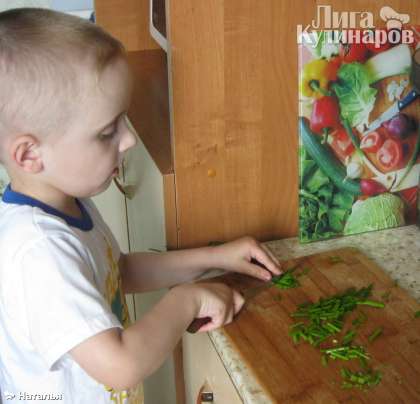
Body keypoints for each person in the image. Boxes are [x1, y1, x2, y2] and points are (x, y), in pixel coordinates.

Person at [0, 8, 281, 404]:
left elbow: (118, 272)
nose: (128, 139)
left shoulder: (64, 202)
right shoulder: (39, 251)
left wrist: (216, 256)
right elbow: (121, 365)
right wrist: (188, 298)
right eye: (106, 132)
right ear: (30, 155)